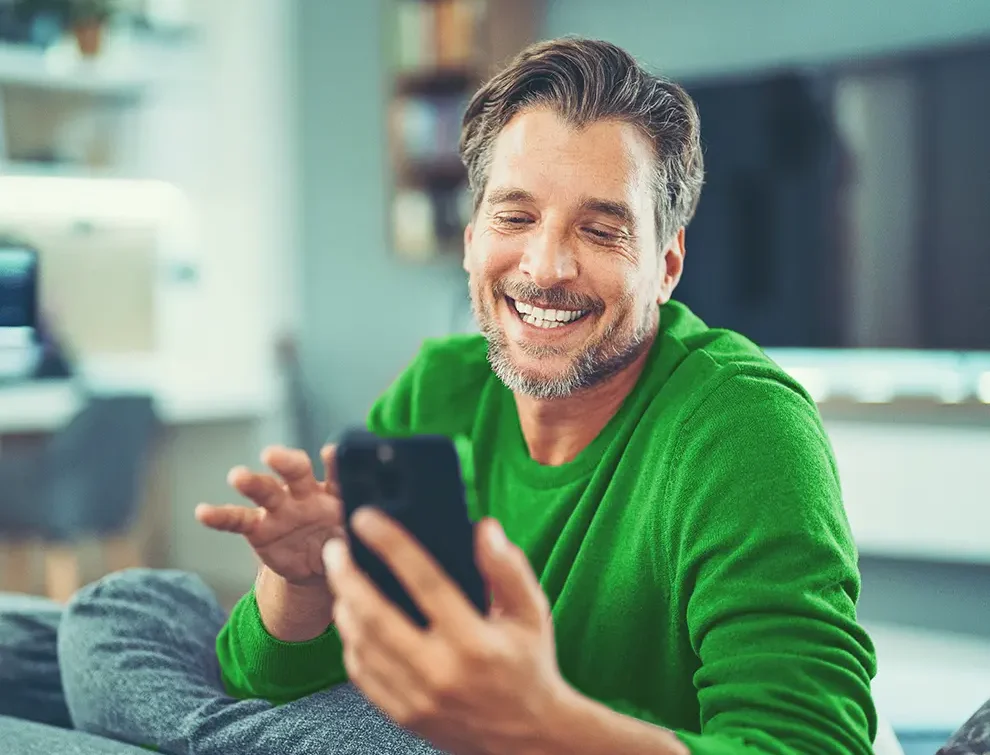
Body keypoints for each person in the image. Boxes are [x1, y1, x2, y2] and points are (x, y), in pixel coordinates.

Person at [0, 37, 877, 755]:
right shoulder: (443, 383)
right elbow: (261, 678)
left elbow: (811, 745)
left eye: (601, 229)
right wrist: (298, 589)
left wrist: (541, 725)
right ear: (470, 240)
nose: (545, 266)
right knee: (124, 608)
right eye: (516, 216)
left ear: (667, 265)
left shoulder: (747, 428)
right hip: (378, 720)